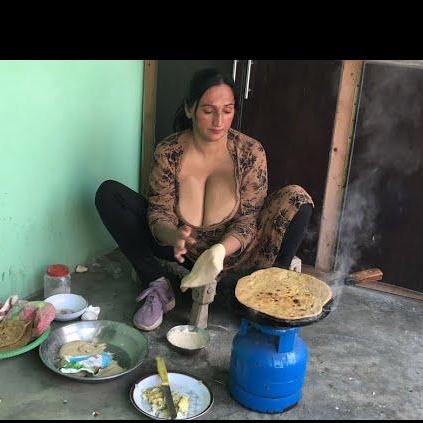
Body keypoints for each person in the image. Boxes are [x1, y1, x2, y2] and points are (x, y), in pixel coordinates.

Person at [95, 68, 314, 331]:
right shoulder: (169, 151)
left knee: (296, 198)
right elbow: (159, 211)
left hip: (236, 253)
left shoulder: (250, 152)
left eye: (228, 110)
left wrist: (219, 250)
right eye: (208, 111)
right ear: (190, 109)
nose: (219, 121)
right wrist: (174, 236)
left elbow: (248, 219)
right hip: (183, 251)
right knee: (109, 194)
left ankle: (267, 291)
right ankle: (158, 283)